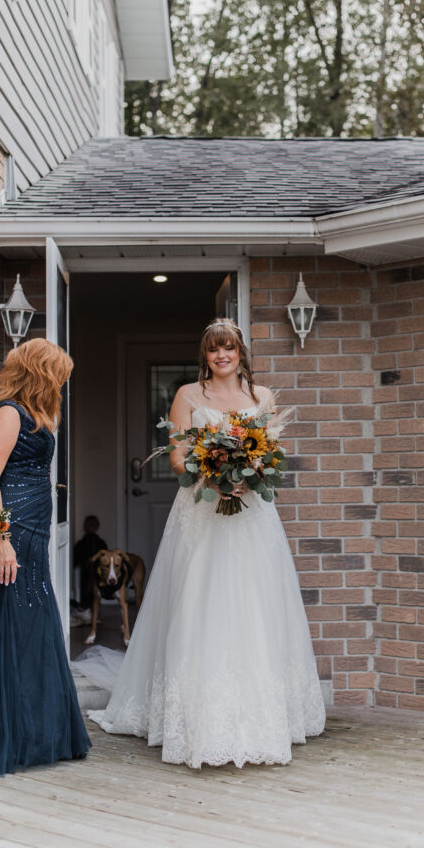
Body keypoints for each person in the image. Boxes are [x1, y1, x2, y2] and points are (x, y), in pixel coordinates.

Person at [88, 318, 325, 768]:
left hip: (252, 515)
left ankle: (260, 718)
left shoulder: (262, 398)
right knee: (200, 603)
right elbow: (177, 458)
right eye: (214, 349)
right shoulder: (187, 396)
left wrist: (249, 478)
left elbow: (272, 456)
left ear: (240, 353)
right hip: (201, 511)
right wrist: (212, 478)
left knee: (255, 605)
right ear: (205, 355)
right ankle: (196, 720)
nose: (222, 356)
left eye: (229, 348)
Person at [0, 338, 91, 774]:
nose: (61, 383)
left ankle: (35, 729)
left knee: (32, 625)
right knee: (11, 623)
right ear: (40, 372)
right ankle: (7, 734)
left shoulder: (34, 413)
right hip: (11, 534)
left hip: (32, 534)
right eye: (58, 374)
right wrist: (0, 537)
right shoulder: (7, 413)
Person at [73, 514, 107, 612]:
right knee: (86, 585)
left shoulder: (100, 542)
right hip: (86, 570)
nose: (91, 527)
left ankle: (94, 608)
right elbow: (77, 558)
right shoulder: (81, 544)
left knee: (96, 586)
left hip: (98, 570)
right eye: (89, 524)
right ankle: (86, 607)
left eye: (93, 524)